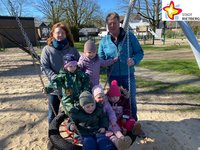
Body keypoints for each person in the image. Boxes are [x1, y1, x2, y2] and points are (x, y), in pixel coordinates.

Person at [98, 12, 144, 121]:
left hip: (127, 75)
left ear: (119, 23)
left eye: (114, 23)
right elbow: (100, 59)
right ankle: (119, 124)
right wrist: (106, 63)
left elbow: (140, 53)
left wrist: (133, 60)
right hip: (113, 77)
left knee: (131, 100)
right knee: (115, 101)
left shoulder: (129, 37)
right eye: (109, 24)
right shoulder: (104, 41)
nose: (112, 26)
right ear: (107, 25)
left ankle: (133, 123)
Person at [40, 22, 80, 124]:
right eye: (58, 32)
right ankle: (52, 135)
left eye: (62, 33)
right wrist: (55, 77)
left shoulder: (72, 49)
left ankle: (74, 130)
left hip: (69, 87)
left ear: (66, 34)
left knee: (71, 110)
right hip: (55, 87)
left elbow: (80, 64)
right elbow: (44, 67)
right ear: (52, 34)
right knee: (52, 114)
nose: (60, 35)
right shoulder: (47, 50)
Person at [92, 84, 132, 150]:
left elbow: (111, 112)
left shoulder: (106, 104)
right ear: (94, 98)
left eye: (103, 96)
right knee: (111, 135)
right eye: (99, 97)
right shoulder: (93, 106)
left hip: (110, 122)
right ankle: (118, 143)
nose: (101, 99)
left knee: (116, 129)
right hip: (103, 126)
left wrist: (113, 120)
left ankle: (123, 139)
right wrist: (101, 126)